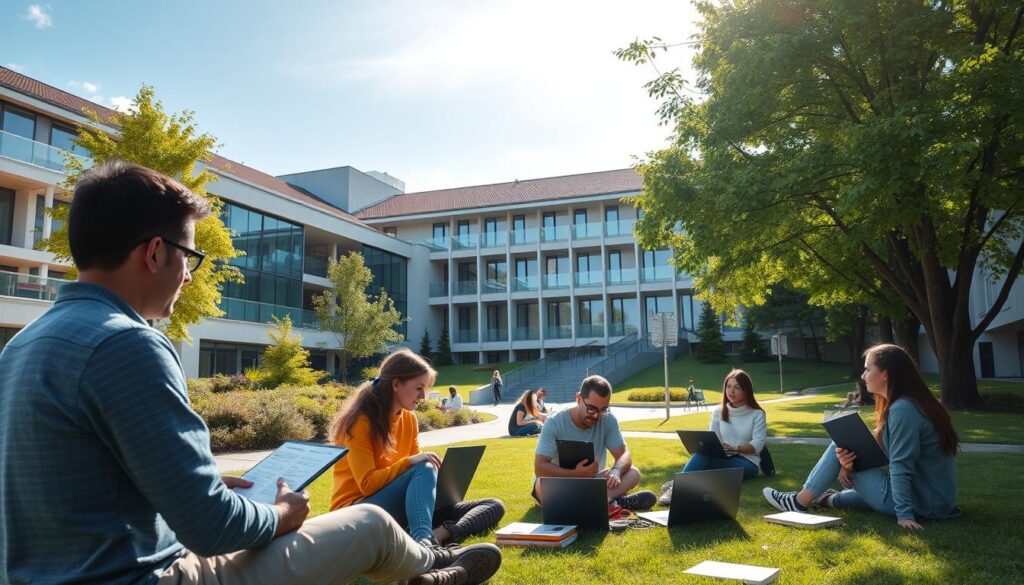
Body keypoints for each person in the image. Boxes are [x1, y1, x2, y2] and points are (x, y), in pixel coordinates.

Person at [0, 161, 498, 585]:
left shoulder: (23, 345)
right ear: (154, 253)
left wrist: (208, 484)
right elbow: (210, 528)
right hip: (146, 575)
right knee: (367, 523)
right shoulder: (128, 344)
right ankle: (436, 565)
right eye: (190, 256)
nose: (191, 274)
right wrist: (281, 513)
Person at [763, 344, 960, 530]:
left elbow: (901, 466)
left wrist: (905, 515)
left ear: (885, 374)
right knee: (846, 450)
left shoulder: (903, 410)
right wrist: (846, 465)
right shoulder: (908, 403)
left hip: (924, 506)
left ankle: (800, 501)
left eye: (868, 369)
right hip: (934, 501)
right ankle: (826, 498)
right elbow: (879, 450)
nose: (863, 375)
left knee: (839, 444)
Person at [331, 349, 506, 550]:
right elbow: (367, 484)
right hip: (353, 515)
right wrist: (411, 462)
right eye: (419, 388)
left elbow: (414, 471)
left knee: (493, 506)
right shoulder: (360, 422)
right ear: (396, 384)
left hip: (397, 508)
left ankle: (438, 535)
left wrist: (436, 480)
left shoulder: (409, 419)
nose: (423, 396)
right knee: (423, 467)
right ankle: (424, 545)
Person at [532, 375, 657, 510]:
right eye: (591, 408)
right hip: (559, 483)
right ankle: (610, 502)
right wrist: (576, 474)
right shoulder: (554, 423)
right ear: (579, 399)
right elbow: (539, 467)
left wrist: (616, 471)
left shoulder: (608, 420)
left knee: (633, 473)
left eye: (603, 410)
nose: (597, 416)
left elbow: (624, 454)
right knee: (541, 483)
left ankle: (588, 504)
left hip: (592, 482)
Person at [659, 369, 766, 505]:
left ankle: (678, 485)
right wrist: (719, 449)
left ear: (746, 390)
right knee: (703, 453)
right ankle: (679, 484)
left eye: (737, 387)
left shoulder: (757, 414)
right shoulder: (718, 411)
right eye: (728, 387)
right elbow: (712, 438)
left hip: (747, 462)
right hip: (722, 457)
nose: (731, 391)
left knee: (702, 460)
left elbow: (758, 444)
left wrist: (736, 448)